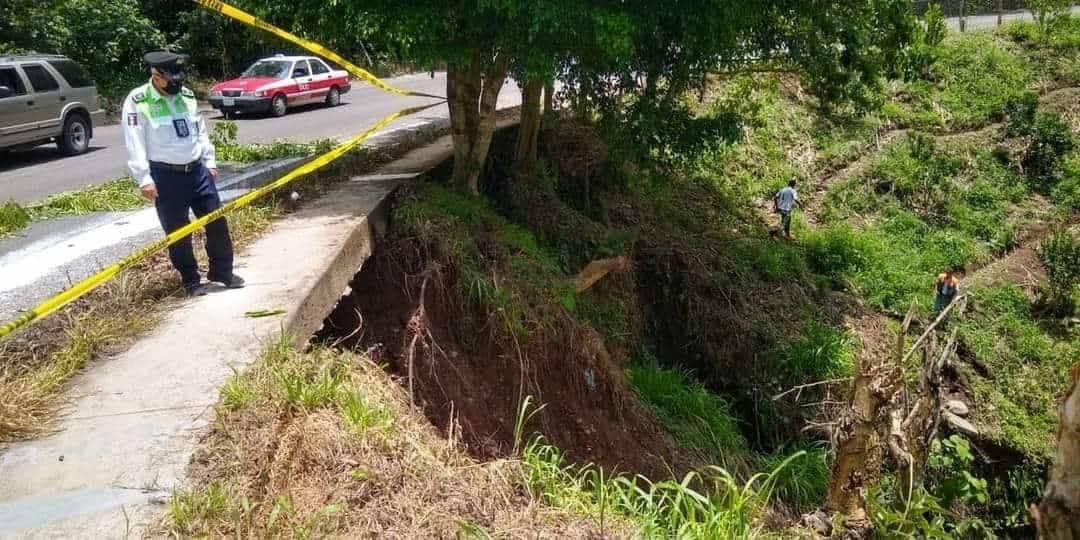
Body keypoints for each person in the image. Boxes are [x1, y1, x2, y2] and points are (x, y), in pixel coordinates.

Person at [122, 51, 244, 297]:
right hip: (165, 176)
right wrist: (143, 179)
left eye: (180, 79)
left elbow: (199, 132)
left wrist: (209, 161)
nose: (177, 84)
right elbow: (134, 142)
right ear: (156, 76)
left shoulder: (186, 96)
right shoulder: (138, 101)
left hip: (197, 171)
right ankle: (190, 279)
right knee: (178, 231)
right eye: (171, 80)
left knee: (217, 222)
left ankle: (222, 271)